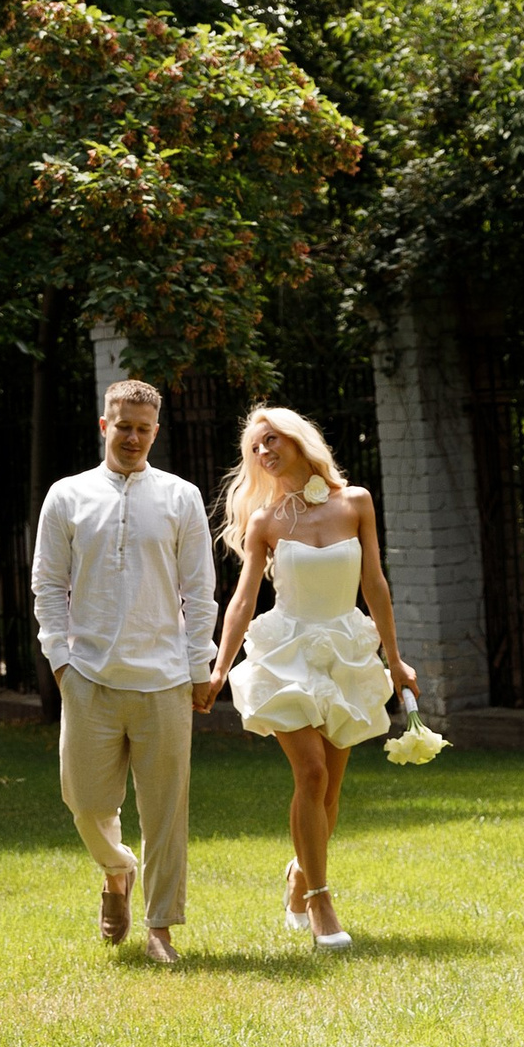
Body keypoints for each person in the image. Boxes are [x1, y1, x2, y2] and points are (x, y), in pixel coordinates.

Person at [198, 404, 414, 953]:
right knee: (312, 774)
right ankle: (320, 900)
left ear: (299, 442)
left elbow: (375, 586)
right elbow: (244, 598)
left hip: (345, 650)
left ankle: (298, 875)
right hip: (285, 653)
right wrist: (221, 666)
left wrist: (395, 659)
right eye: (256, 448)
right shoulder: (266, 521)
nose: (265, 452)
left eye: (273, 440)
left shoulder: (356, 502)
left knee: (330, 791)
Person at [31, 373, 217, 969]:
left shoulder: (181, 496)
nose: (133, 437)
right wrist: (61, 661)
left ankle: (161, 925)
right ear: (104, 425)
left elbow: (200, 590)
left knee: (166, 810)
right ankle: (117, 871)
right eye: (123, 426)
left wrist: (198, 667)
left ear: (155, 433)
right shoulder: (67, 495)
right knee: (84, 802)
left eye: (143, 429)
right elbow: (47, 585)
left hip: (164, 678)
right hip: (88, 676)